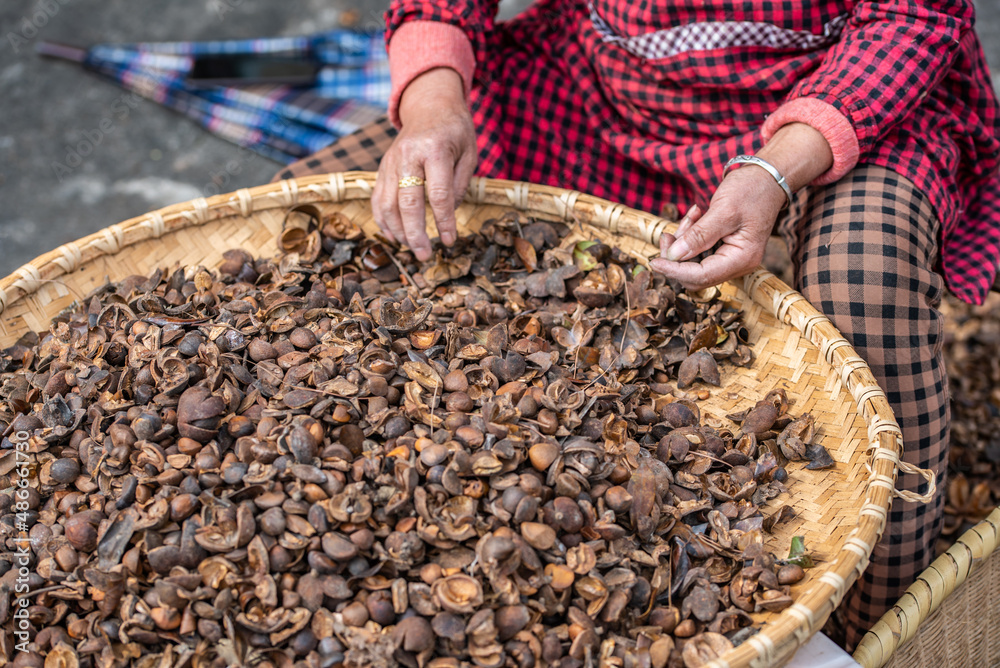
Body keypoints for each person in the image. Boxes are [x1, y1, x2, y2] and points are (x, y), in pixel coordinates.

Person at [276, 0, 1000, 648]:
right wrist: (433, 107)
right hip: (606, 87)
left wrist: (777, 170)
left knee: (864, 282)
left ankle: (870, 626)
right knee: (339, 210)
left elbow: (913, 18)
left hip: (836, 97)